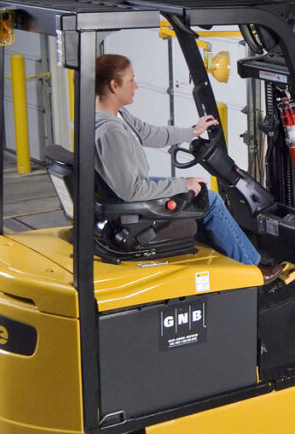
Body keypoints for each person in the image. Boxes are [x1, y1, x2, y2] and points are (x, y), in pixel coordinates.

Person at [94, 53, 280, 283]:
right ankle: (252, 269)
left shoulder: (114, 116)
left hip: (131, 194)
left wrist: (192, 131)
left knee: (198, 188)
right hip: (135, 207)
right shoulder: (110, 132)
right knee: (209, 200)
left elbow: (148, 133)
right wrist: (182, 184)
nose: (136, 85)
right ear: (114, 85)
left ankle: (220, 256)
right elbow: (132, 190)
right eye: (131, 80)